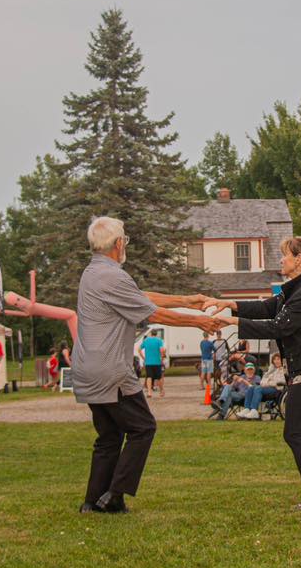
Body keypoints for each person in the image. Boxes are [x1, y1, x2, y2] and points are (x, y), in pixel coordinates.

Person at [73, 216, 222, 514]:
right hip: (110, 370)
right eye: (124, 240)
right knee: (143, 428)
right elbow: (152, 314)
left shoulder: (93, 273)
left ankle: (92, 501)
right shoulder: (113, 276)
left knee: (109, 436)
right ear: (118, 244)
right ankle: (114, 495)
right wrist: (200, 321)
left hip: (87, 367)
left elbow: (141, 298)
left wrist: (186, 300)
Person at [207, 236, 301, 510]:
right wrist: (230, 305)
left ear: (298, 259)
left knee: (295, 434)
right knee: (299, 434)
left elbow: (278, 327)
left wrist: (233, 321)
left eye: (285, 255)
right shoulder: (297, 289)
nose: (281, 260)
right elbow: (267, 308)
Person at [240, 353, 287, 419]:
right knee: (252, 388)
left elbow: (280, 381)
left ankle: (254, 410)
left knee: (258, 389)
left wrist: (268, 383)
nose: (276, 361)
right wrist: (266, 382)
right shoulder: (272, 370)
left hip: (277, 389)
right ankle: (247, 409)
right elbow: (262, 381)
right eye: (274, 359)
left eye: (278, 359)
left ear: (282, 360)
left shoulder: (284, 370)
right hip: (267, 388)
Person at [139, 331, 167, 397]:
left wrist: (144, 358)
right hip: (157, 362)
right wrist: (162, 358)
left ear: (150, 334)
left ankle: (149, 392)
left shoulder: (146, 340)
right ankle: (161, 392)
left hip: (148, 362)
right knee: (159, 377)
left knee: (149, 377)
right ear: (156, 334)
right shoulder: (159, 340)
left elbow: (139, 349)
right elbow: (162, 350)